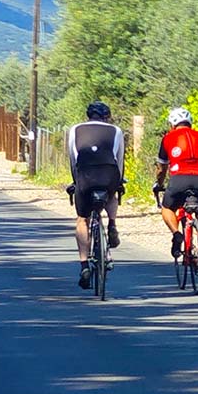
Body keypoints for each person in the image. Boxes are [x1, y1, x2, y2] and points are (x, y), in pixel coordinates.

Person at [67, 101, 125, 290]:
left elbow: (73, 157)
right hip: (109, 175)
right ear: (107, 117)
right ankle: (113, 224)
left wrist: (76, 182)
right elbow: (119, 158)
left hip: (85, 175)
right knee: (113, 193)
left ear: (88, 116)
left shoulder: (75, 129)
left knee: (82, 219)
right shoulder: (116, 131)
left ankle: (84, 264)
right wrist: (119, 182)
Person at [153, 107, 198, 260]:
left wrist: (159, 184)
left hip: (179, 178)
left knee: (167, 208)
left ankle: (176, 233)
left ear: (172, 125)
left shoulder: (168, 138)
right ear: (190, 123)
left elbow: (162, 168)